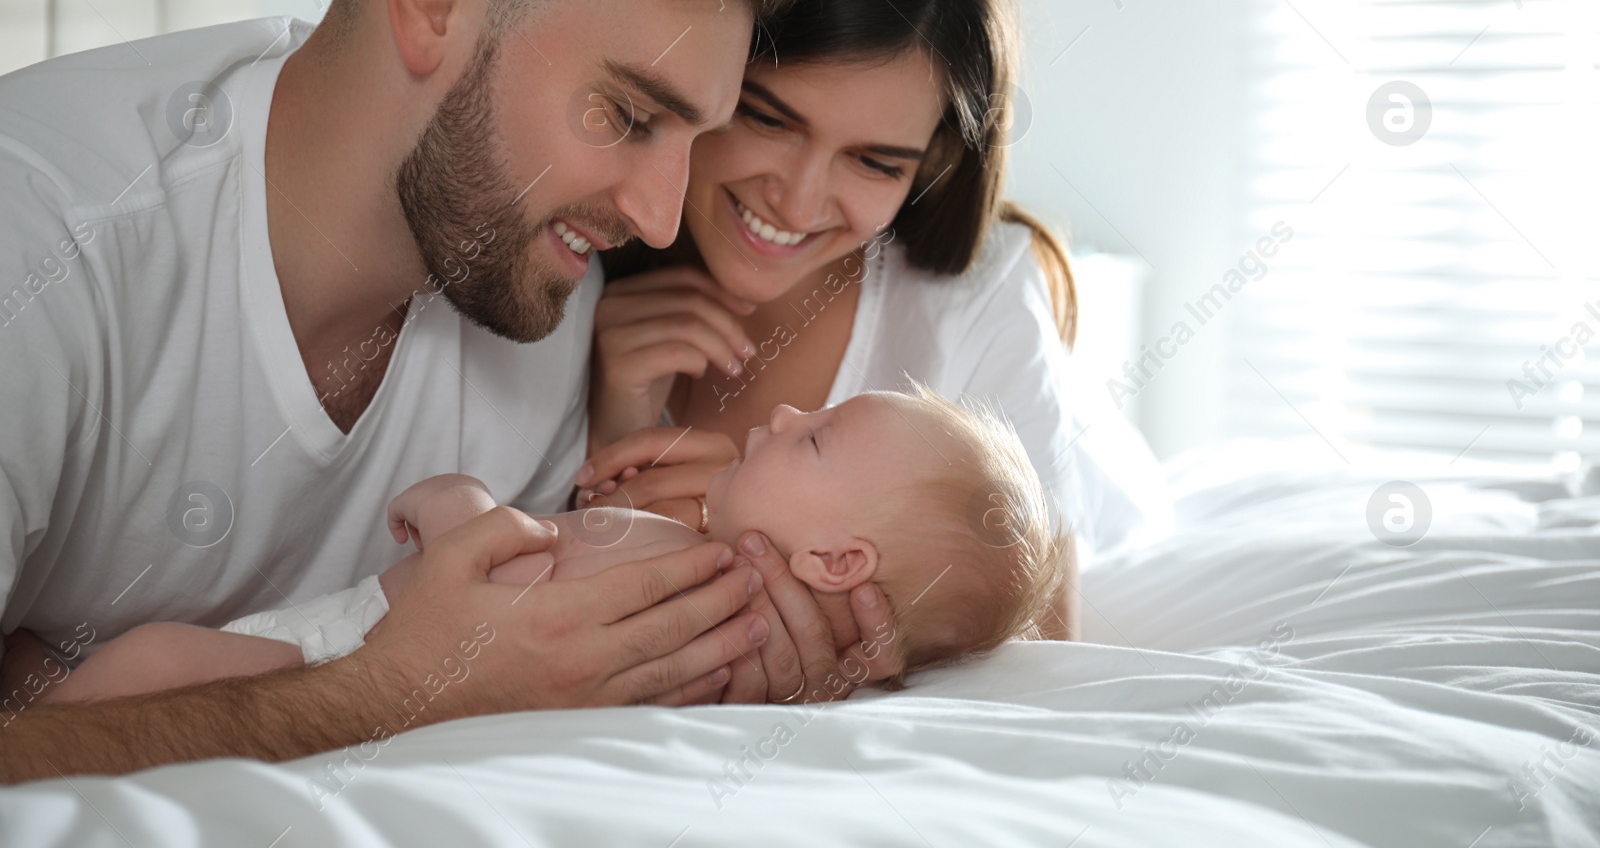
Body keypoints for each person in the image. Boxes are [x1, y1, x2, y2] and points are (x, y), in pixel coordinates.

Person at [0, 0, 907, 784]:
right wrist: (397, 689)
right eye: (626, 114)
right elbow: (421, 679)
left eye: (695, 139)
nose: (657, 217)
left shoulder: (540, 306)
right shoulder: (38, 241)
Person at [580, 0, 1164, 676]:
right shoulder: (574, 244)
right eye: (770, 117)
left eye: (874, 161)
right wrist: (621, 419)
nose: (798, 198)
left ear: (929, 164)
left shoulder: (976, 297)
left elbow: (1043, 646)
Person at [39, 389, 1065, 707]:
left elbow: (506, 575)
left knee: (151, 664)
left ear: (839, 561)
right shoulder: (748, 640)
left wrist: (458, 500)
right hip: (360, 654)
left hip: (335, 658)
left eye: (817, 434)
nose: (789, 406)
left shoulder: (688, 571)